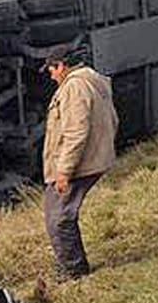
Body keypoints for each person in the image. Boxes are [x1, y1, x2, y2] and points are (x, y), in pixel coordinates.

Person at [41, 45, 118, 280]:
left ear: (61, 66)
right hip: (93, 158)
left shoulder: (74, 87)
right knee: (60, 214)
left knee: (58, 217)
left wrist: (64, 171)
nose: (51, 76)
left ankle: (72, 270)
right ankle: (72, 265)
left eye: (51, 70)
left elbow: (75, 132)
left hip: (80, 164)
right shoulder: (93, 79)